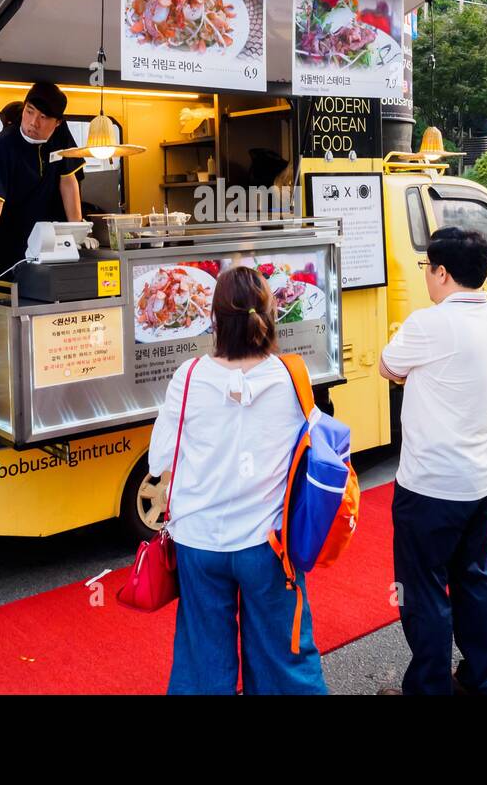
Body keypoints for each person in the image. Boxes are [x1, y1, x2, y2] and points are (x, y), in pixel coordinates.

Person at [147, 266, 327, 696]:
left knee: (202, 658)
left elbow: (159, 459)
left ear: (213, 319)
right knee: (284, 658)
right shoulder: (290, 375)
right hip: (267, 545)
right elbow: (317, 445)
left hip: (198, 541)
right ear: (268, 315)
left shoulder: (187, 377)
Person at [378, 228, 487, 695]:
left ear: (441, 272)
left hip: (432, 484)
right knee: (473, 576)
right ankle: (482, 679)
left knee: (422, 590)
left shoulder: (429, 323)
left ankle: (428, 688)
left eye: (427, 269)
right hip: (484, 478)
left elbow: (387, 367)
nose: (427, 278)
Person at [0, 82, 84, 286]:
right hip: (10, 247)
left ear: (58, 123)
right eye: (29, 111)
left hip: (50, 245)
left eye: (43, 118)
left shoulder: (61, 135)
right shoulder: (2, 147)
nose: (33, 122)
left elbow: (68, 181)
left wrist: (77, 231)